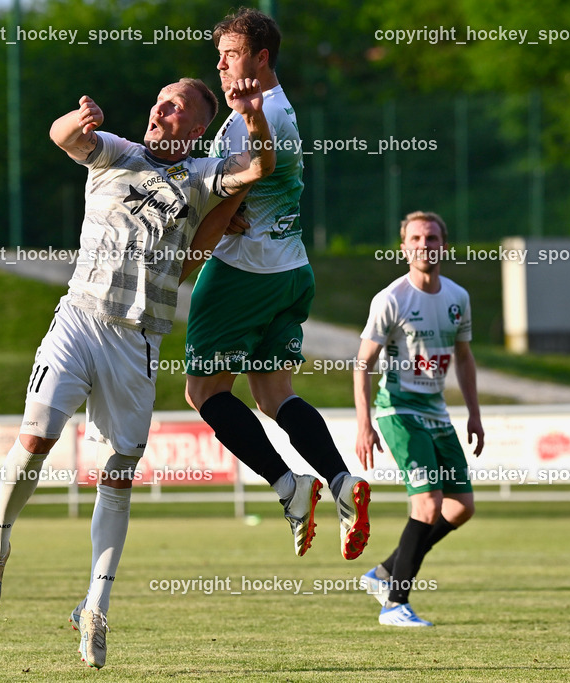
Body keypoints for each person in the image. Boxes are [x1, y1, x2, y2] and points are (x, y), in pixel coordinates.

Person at [0, 76, 275, 670]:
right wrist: (75, 118)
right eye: (160, 98)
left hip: (136, 341)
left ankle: (95, 607)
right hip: (78, 318)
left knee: (117, 476)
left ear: (194, 128)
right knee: (35, 439)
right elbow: (61, 138)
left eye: (176, 105)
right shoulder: (116, 151)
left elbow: (259, 165)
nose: (160, 107)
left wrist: (254, 118)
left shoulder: (203, 175)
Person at [181, 6, 371, 562]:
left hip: (243, 275)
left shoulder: (249, 118)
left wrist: (186, 264)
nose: (220, 64)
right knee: (272, 395)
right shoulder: (275, 109)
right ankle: (338, 481)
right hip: (291, 271)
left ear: (261, 58)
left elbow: (227, 203)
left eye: (232, 54)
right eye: (218, 56)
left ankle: (291, 489)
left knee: (203, 393)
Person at [354, 211, 483, 627]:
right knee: (427, 503)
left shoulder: (457, 298)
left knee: (460, 507)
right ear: (404, 247)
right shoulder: (391, 299)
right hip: (399, 410)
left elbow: (463, 358)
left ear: (443, 244)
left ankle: (387, 571)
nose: (424, 244)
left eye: (432, 237)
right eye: (416, 238)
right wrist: (364, 423)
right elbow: (362, 364)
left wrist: (475, 414)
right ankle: (395, 604)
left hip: (437, 411)